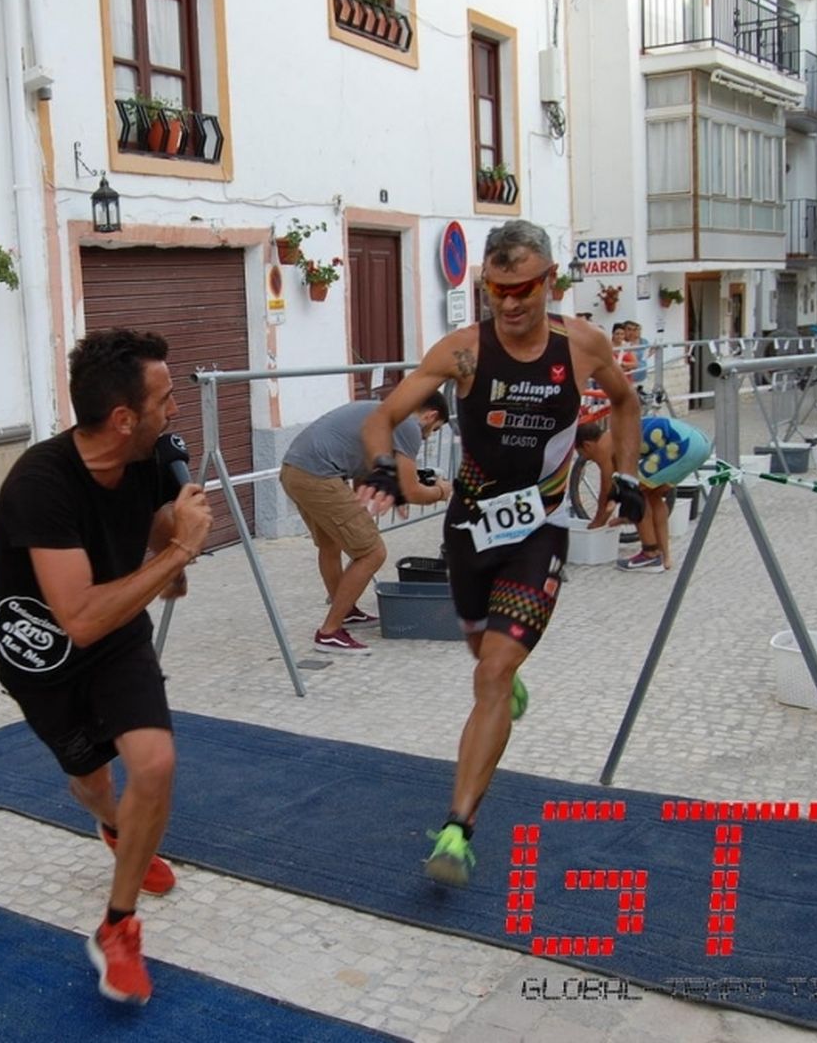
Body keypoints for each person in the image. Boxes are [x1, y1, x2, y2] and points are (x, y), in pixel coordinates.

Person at [356, 219, 644, 887]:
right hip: (469, 531)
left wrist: (624, 476)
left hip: (538, 531)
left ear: (549, 282)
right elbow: (383, 414)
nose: (510, 305)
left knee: (487, 677)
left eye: (522, 289)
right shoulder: (463, 352)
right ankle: (502, 677)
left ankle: (458, 828)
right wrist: (383, 464)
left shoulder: (582, 347)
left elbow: (627, 404)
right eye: (496, 291)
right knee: (481, 655)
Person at [0, 328, 212, 1006]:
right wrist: (178, 558)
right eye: (166, 399)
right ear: (123, 419)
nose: (175, 411)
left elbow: (144, 546)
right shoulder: (41, 483)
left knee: (155, 762)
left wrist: (172, 529)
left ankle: (117, 928)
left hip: (116, 638)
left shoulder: (145, 462)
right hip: (44, 653)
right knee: (91, 782)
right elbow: (78, 617)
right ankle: (114, 824)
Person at [280, 393, 452, 656]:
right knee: (372, 552)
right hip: (319, 476)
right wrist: (441, 491)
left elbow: (367, 469)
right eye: (434, 430)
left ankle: (346, 612)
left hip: (295, 469)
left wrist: (380, 499)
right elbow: (413, 490)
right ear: (430, 416)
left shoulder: (384, 413)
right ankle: (329, 632)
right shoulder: (409, 425)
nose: (428, 437)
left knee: (330, 543)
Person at [574, 416, 712, 572]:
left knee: (635, 493)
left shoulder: (604, 447)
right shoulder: (616, 437)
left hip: (682, 445)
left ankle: (650, 554)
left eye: (583, 454)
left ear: (587, 445)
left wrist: (597, 524)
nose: (586, 458)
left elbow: (607, 490)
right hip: (700, 444)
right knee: (653, 496)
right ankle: (664, 556)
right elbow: (616, 487)